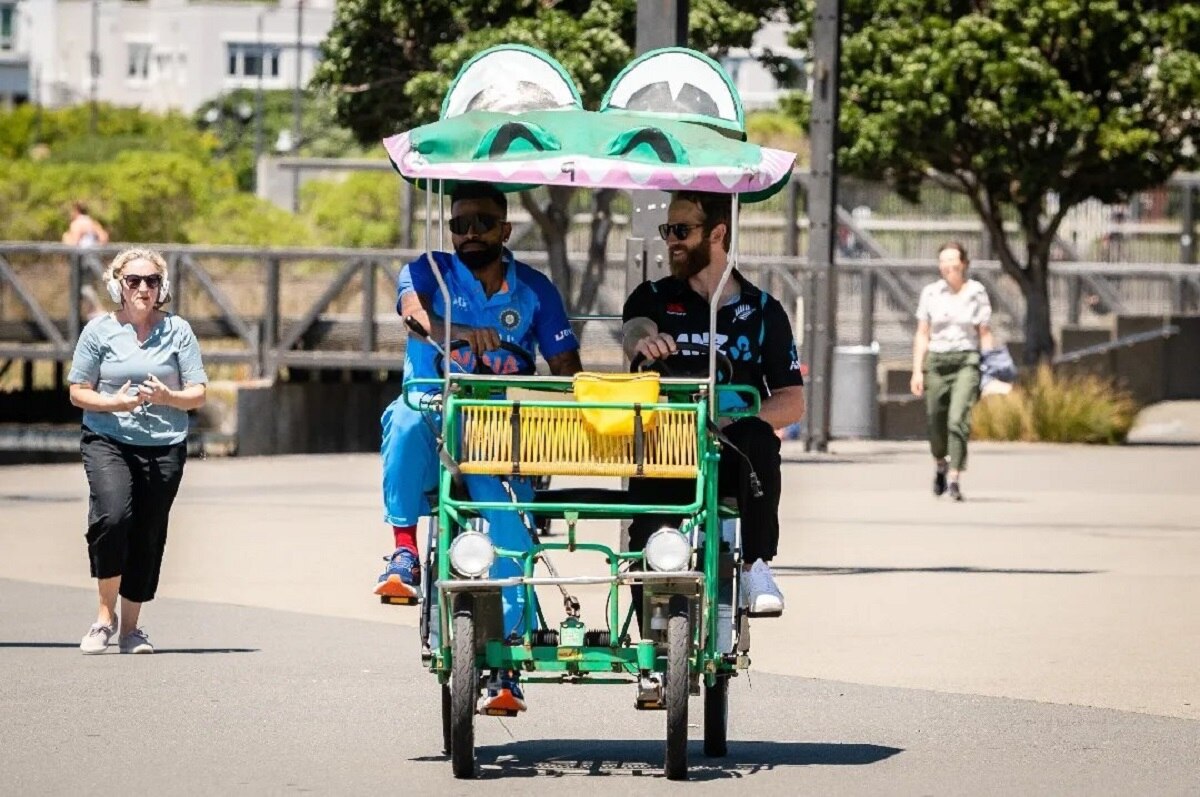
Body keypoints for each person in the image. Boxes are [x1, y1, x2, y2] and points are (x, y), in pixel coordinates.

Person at [377, 181, 582, 712]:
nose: (469, 233)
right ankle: (403, 552)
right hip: (434, 414)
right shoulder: (428, 270)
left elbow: (567, 368)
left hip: (496, 431)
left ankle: (506, 663)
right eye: (459, 224)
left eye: (482, 223)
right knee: (403, 418)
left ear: (505, 229)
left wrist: (568, 408)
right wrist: (462, 331)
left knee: (511, 533)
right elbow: (414, 316)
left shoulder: (535, 289)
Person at [622, 190, 805, 617]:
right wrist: (646, 341)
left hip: (732, 453)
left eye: (681, 230)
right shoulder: (654, 295)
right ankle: (653, 636)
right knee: (646, 541)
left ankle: (757, 567)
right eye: (668, 230)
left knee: (758, 436)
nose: (671, 240)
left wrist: (733, 424)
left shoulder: (763, 311)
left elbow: (792, 401)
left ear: (717, 234)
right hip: (668, 448)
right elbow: (635, 329)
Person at [67, 248, 208, 654]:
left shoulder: (178, 330)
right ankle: (103, 618)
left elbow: (198, 392)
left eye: (152, 281)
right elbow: (78, 391)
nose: (143, 288)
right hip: (107, 439)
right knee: (113, 517)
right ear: (118, 287)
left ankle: (131, 629)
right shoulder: (98, 331)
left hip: (164, 445)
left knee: (148, 532)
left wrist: (168, 397)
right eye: (134, 281)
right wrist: (114, 403)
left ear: (162, 287)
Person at [910, 241, 995, 502]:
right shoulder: (931, 293)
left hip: (966, 360)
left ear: (964, 263)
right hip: (937, 361)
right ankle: (940, 463)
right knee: (935, 419)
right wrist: (917, 370)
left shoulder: (976, 292)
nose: (948, 266)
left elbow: (985, 333)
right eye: (943, 261)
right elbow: (922, 333)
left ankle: (955, 477)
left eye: (953, 260)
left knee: (958, 419)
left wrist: (990, 370)